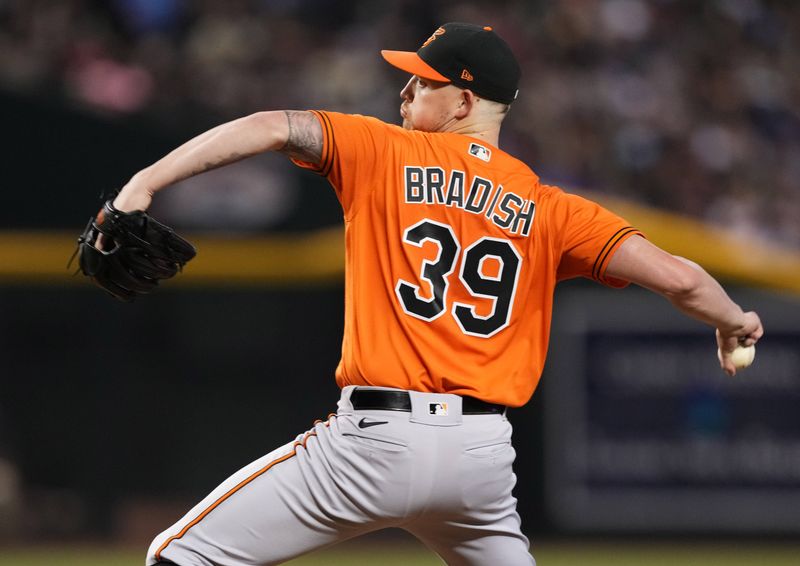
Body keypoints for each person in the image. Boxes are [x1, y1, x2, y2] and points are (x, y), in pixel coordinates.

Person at [107, 22, 763, 566]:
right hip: (478, 464)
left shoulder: (380, 151)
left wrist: (144, 182)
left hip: (372, 443)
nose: (405, 90)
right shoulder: (552, 209)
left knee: (179, 557)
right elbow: (681, 278)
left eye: (424, 81)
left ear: (464, 103)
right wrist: (734, 321)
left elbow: (269, 124)